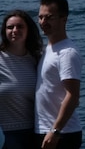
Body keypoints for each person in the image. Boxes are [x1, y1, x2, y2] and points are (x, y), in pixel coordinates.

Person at [35, 0, 82, 149]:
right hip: (44, 130)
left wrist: (55, 131)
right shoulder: (47, 49)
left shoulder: (67, 52)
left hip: (62, 134)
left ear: (64, 19)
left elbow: (73, 95)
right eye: (40, 17)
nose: (43, 22)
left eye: (49, 18)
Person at [0, 10, 43, 149]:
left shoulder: (37, 59)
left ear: (28, 30)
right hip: (6, 134)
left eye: (20, 26)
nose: (15, 30)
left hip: (36, 132)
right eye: (10, 27)